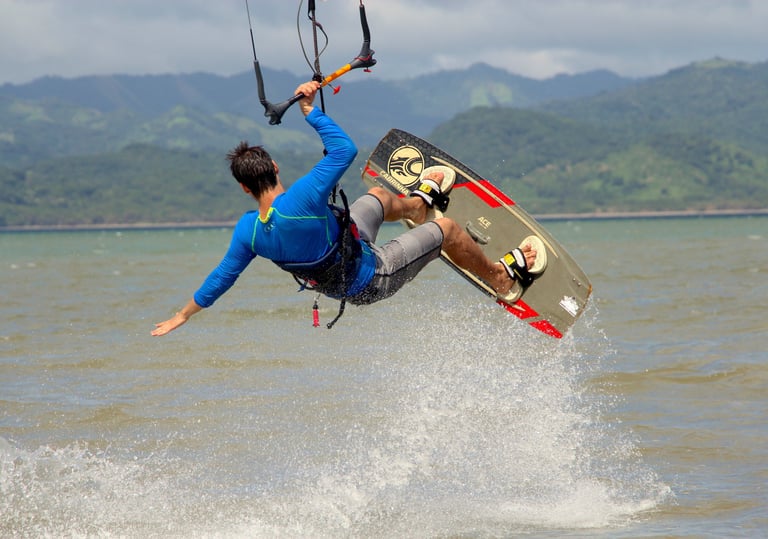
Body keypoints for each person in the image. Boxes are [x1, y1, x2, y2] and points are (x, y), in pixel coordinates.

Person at [152, 80, 538, 336]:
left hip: (347, 253)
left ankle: (418, 207)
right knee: (450, 230)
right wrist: (309, 112)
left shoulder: (248, 231)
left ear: (243, 188)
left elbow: (221, 278)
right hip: (370, 277)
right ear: (274, 168)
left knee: (379, 197)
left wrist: (183, 315)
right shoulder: (302, 197)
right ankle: (501, 280)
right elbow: (344, 150)